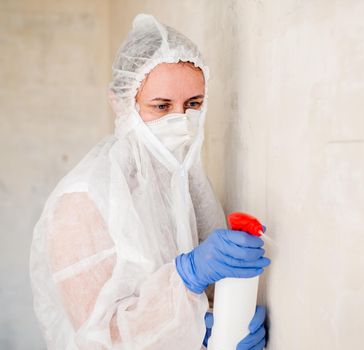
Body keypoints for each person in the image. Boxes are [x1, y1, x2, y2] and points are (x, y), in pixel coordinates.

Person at [29, 13, 270, 350]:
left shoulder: (179, 181)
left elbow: (195, 304)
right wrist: (187, 277)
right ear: (122, 103)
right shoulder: (83, 197)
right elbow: (99, 337)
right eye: (161, 105)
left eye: (193, 104)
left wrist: (218, 325)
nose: (180, 120)